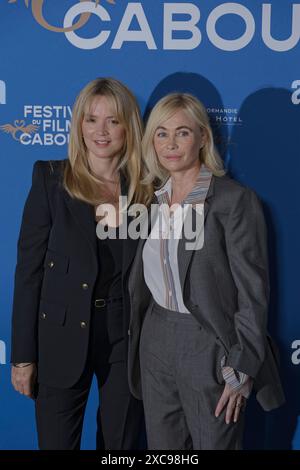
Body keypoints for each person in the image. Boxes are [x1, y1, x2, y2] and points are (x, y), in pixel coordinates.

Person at [127, 92, 285, 450]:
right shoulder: (150, 198)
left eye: (182, 132)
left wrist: (240, 367)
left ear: (202, 137)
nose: (171, 144)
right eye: (161, 133)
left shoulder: (233, 200)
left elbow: (253, 292)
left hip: (209, 345)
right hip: (155, 339)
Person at [11, 77, 152, 450]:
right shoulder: (51, 179)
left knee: (120, 448)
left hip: (125, 340)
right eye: (91, 120)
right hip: (60, 338)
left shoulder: (147, 189)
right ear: (78, 125)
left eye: (113, 121)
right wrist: (22, 357)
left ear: (129, 126)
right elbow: (28, 273)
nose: (101, 132)